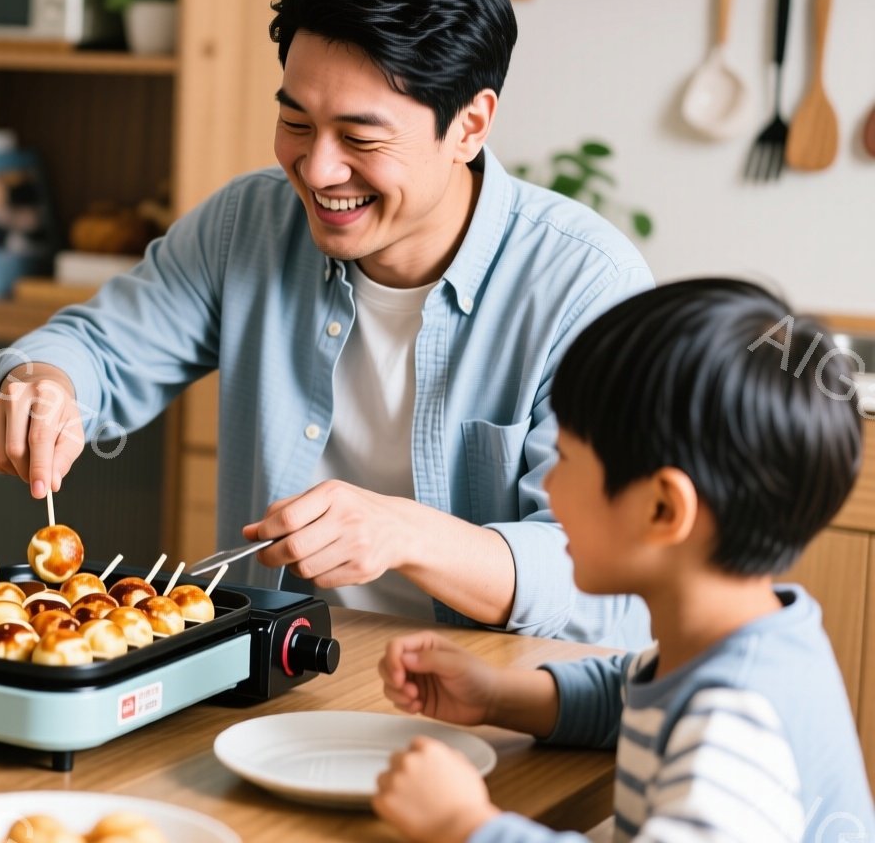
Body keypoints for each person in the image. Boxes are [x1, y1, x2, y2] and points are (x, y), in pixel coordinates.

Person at [0, 0, 653, 646]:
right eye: (295, 121)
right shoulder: (249, 221)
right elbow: (99, 348)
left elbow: (605, 581)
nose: (318, 170)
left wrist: (407, 535)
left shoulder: (587, 285)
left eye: (360, 139)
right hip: (282, 675)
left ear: (470, 126)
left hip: (497, 701)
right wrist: (45, 385)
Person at [373, 279, 873, 843]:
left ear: (662, 509)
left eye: (565, 459)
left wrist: (464, 825)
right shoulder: (749, 640)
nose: (550, 486)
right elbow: (631, 694)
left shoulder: (736, 727)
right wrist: (495, 695)